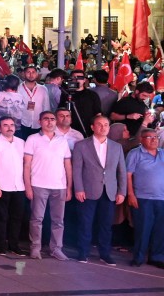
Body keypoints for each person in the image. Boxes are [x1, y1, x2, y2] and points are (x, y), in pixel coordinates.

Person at [71, 114, 127, 265]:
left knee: (106, 225)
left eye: (106, 125)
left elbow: (121, 171)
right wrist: (79, 189)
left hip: (109, 191)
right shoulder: (81, 145)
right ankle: (83, 252)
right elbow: (77, 169)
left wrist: (122, 191)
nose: (103, 128)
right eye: (100, 125)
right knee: (85, 223)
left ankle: (105, 254)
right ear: (92, 127)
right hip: (88, 190)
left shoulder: (116, 147)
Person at [23, 111, 72, 261]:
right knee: (37, 218)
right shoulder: (32, 139)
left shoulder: (62, 141)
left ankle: (56, 248)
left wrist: (69, 187)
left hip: (59, 185)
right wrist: (28, 186)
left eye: (52, 119)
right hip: (38, 184)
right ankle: (35, 247)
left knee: (58, 220)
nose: (50, 122)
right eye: (46, 119)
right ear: (40, 122)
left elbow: (68, 164)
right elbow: (26, 165)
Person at [0, 116, 28, 255]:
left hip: (19, 186)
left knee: (17, 217)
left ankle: (14, 244)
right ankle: (0, 245)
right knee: (1, 217)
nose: (9, 127)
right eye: (6, 125)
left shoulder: (21, 142)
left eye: (12, 125)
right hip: (2, 186)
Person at [125, 127, 164, 266]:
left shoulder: (162, 153)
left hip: (162, 198)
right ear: (141, 139)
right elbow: (128, 175)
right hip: (143, 198)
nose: (154, 139)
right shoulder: (135, 153)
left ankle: (156, 257)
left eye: (156, 137)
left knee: (160, 230)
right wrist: (130, 194)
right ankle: (138, 258)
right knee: (143, 229)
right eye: (149, 137)